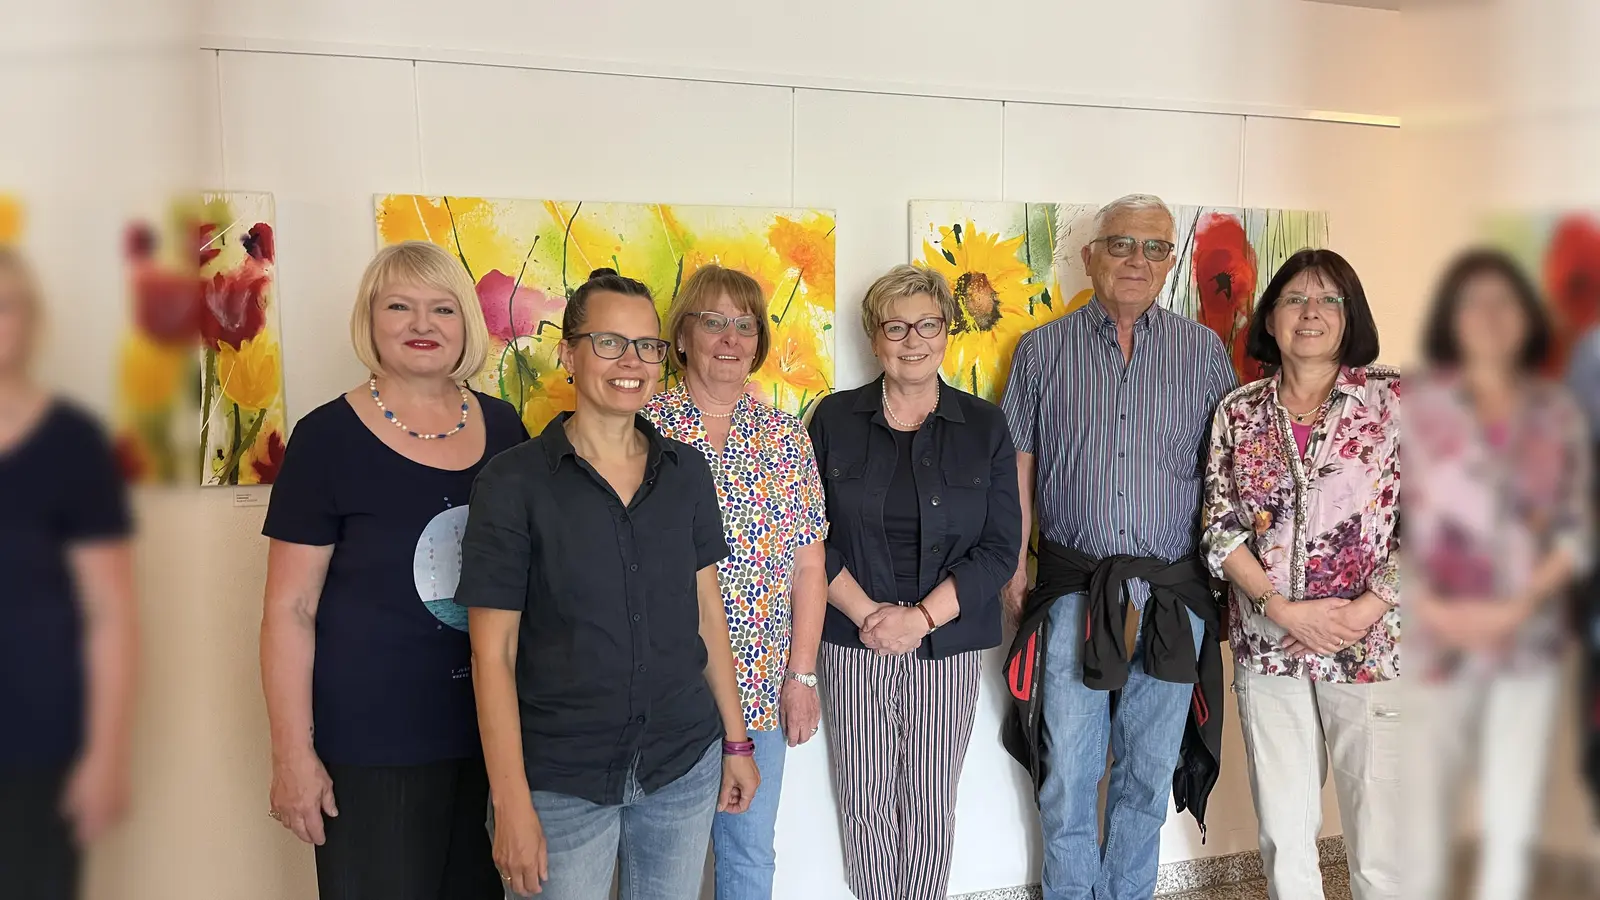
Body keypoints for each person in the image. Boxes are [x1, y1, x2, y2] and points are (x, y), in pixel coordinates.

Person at [458, 268, 760, 900]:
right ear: (569, 353)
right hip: (561, 785)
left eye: (647, 346)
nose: (633, 362)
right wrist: (510, 804)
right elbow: (493, 653)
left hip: (681, 766)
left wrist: (736, 740)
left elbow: (708, 612)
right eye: (609, 342)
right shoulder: (513, 484)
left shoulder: (685, 471)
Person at [260, 240, 527, 899]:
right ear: (370, 320)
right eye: (399, 306)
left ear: (466, 323)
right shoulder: (326, 439)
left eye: (442, 308)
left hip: (491, 730)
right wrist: (293, 754)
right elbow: (288, 610)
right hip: (372, 742)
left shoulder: (504, 428)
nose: (421, 324)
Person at [1000, 194, 1235, 900]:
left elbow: (1226, 468)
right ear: (1090, 254)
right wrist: (1015, 563)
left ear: (1171, 262)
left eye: (1155, 248)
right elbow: (1018, 463)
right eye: (1122, 244)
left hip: (1172, 597)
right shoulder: (1043, 350)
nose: (1138, 259)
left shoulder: (1204, 352)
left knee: (1148, 772)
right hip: (1074, 592)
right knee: (1069, 774)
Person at [805, 264, 1021, 900]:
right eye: (895, 326)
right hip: (851, 636)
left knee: (930, 798)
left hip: (945, 643)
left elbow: (1001, 548)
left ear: (947, 332)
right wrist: (872, 615)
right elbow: (808, 532)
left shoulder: (984, 427)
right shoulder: (835, 420)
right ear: (875, 338)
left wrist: (920, 619)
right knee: (863, 800)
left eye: (927, 324)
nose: (912, 339)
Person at [1201, 248, 1399, 900]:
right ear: (1272, 317)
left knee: (1382, 840)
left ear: (1350, 316)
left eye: (1328, 300)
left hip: (1371, 647)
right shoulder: (1239, 412)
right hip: (1270, 647)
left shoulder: (1395, 401)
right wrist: (1281, 609)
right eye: (1295, 299)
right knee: (1286, 840)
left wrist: (1366, 608)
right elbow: (1219, 528)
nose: (1310, 312)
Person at [643, 264, 828, 900]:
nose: (729, 337)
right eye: (712, 321)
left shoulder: (784, 436)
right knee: (659, 858)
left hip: (760, 687)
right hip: (663, 686)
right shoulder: (644, 428)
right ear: (683, 337)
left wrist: (801, 675)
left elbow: (809, 565)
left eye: (743, 324)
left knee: (748, 852)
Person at [1407, 250, 1586, 900]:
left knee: (1510, 825)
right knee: (1424, 820)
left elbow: (1577, 527)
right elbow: (1387, 528)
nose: (1489, 315)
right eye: (1473, 302)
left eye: (1504, 301)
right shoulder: (1418, 409)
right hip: (1436, 642)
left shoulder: (1556, 413)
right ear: (1451, 319)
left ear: (1526, 317)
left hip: (1526, 641)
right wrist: (1436, 609)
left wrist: (1517, 606)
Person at [0, 247, 138, 900]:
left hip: (39, 746)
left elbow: (110, 612)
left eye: (3, 306)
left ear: (29, 320)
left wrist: (105, 756)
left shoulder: (72, 444)